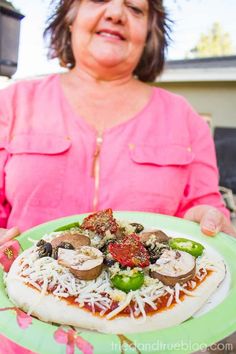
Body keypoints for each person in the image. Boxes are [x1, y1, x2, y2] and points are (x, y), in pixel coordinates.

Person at [0, 0, 235, 249]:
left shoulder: (185, 118)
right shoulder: (11, 103)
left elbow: (206, 208)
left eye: (134, 8)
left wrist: (209, 224)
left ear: (148, 33)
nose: (115, 14)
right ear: (71, 17)